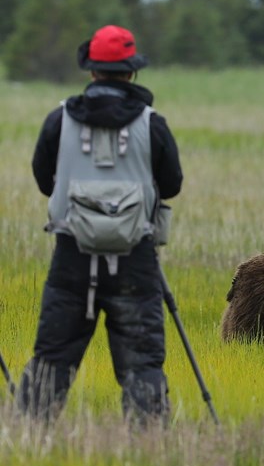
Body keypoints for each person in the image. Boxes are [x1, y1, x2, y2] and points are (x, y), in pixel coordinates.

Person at [18, 25, 183, 425]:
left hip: (72, 258)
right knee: (142, 361)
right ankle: (146, 445)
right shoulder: (152, 123)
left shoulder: (59, 120)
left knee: (53, 357)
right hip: (135, 261)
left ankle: (26, 436)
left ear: (92, 72)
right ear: (131, 73)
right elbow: (172, 185)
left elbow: (43, 180)